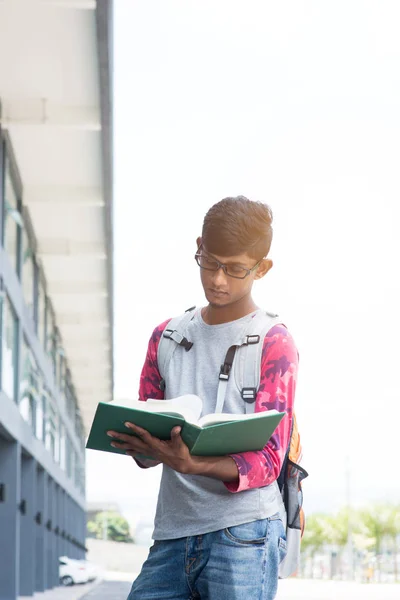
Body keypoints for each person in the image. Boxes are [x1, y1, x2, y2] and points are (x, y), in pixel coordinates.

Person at [108, 196, 299, 600]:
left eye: (235, 269)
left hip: (244, 533)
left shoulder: (274, 342)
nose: (218, 280)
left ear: (261, 268)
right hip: (173, 531)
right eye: (210, 262)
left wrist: (194, 463)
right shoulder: (167, 337)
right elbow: (145, 442)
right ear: (199, 246)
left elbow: (269, 461)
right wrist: (143, 445)